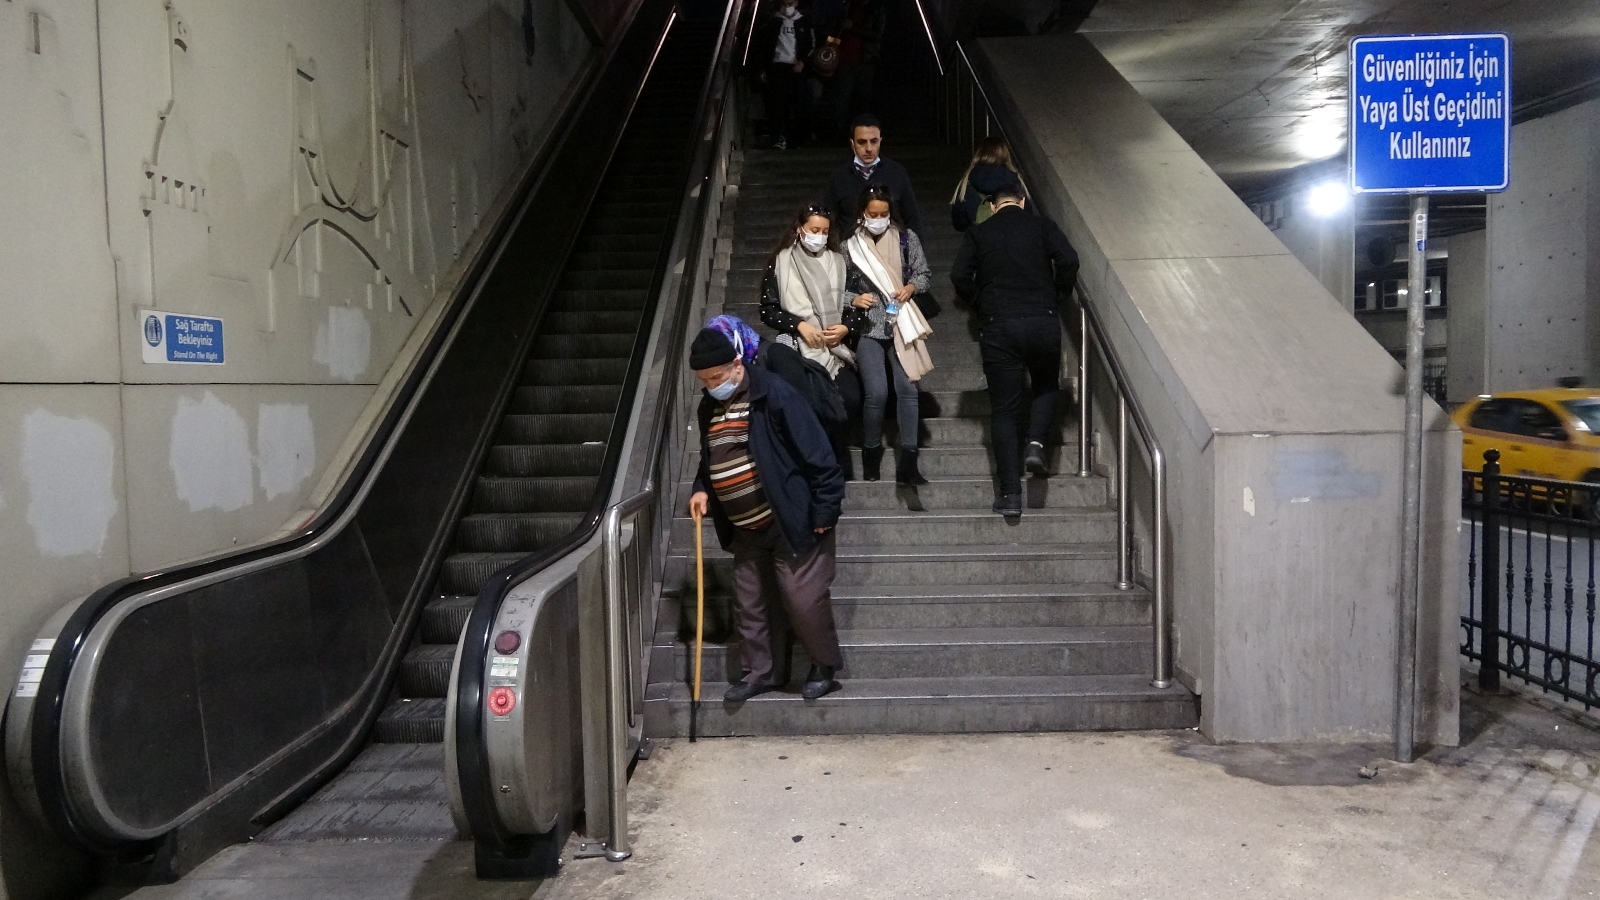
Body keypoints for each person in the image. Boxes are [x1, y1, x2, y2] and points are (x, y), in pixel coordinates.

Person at [688, 317, 847, 701]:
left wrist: (824, 514)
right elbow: (711, 457)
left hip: (790, 518)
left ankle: (823, 665)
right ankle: (761, 672)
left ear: (737, 366)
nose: (712, 386)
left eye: (717, 377)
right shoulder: (709, 409)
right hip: (745, 528)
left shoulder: (775, 394)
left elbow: (820, 456)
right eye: (704, 381)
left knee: (802, 599)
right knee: (750, 602)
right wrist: (700, 488)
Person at [950, 184, 1080, 518]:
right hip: (1042, 319)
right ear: (1022, 201)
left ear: (993, 207)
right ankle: (1036, 442)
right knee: (1047, 384)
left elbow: (958, 276)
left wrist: (980, 302)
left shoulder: (979, 233)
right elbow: (1068, 259)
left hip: (999, 324)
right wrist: (1057, 294)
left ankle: (1010, 495)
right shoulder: (1042, 226)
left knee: (1004, 410)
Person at [758, 205, 862, 477]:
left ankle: (832, 461)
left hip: (834, 347)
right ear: (800, 229)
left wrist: (844, 328)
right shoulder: (781, 262)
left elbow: (854, 305)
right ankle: (811, 464)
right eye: (814, 230)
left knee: (849, 398)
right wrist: (799, 324)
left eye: (825, 232)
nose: (819, 236)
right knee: (805, 400)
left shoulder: (838, 262)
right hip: (795, 345)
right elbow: (768, 310)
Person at [842, 185, 933, 485]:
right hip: (868, 326)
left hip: (901, 322)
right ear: (862, 214)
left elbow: (924, 275)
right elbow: (834, 289)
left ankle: (909, 459)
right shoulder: (849, 247)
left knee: (908, 390)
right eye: (873, 214)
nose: (879, 219)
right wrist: (852, 299)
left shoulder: (907, 239)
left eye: (884, 214)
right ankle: (871, 451)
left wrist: (911, 287)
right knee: (877, 393)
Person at [817, 114, 925, 236]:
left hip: (891, 251)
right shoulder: (839, 178)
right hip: (850, 251)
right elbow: (827, 221)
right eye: (862, 142)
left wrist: (915, 253)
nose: (868, 148)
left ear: (880, 141)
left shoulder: (896, 173)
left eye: (874, 141)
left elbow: (912, 220)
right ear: (852, 144)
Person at [750, 0, 814, 150]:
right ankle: (780, 136)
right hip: (777, 67)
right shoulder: (773, 22)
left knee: (799, 102)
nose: (787, 7)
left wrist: (803, 62)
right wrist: (763, 68)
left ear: (796, 3)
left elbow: (811, 45)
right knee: (778, 103)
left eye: (790, 3)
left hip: (796, 67)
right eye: (784, 4)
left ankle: (799, 137)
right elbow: (765, 46)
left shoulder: (803, 21)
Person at [828, 0, 886, 134]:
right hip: (845, 59)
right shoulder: (847, 5)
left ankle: (861, 130)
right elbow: (836, 27)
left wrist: (853, 27)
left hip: (865, 59)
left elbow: (877, 34)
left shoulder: (876, 8)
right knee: (843, 96)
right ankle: (840, 130)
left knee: (862, 97)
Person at [949, 137, 1029, 232]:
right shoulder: (1015, 181)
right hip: (1011, 242)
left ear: (980, 154)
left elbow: (959, 223)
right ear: (1006, 155)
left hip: (981, 242)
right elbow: (1027, 216)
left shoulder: (967, 183)